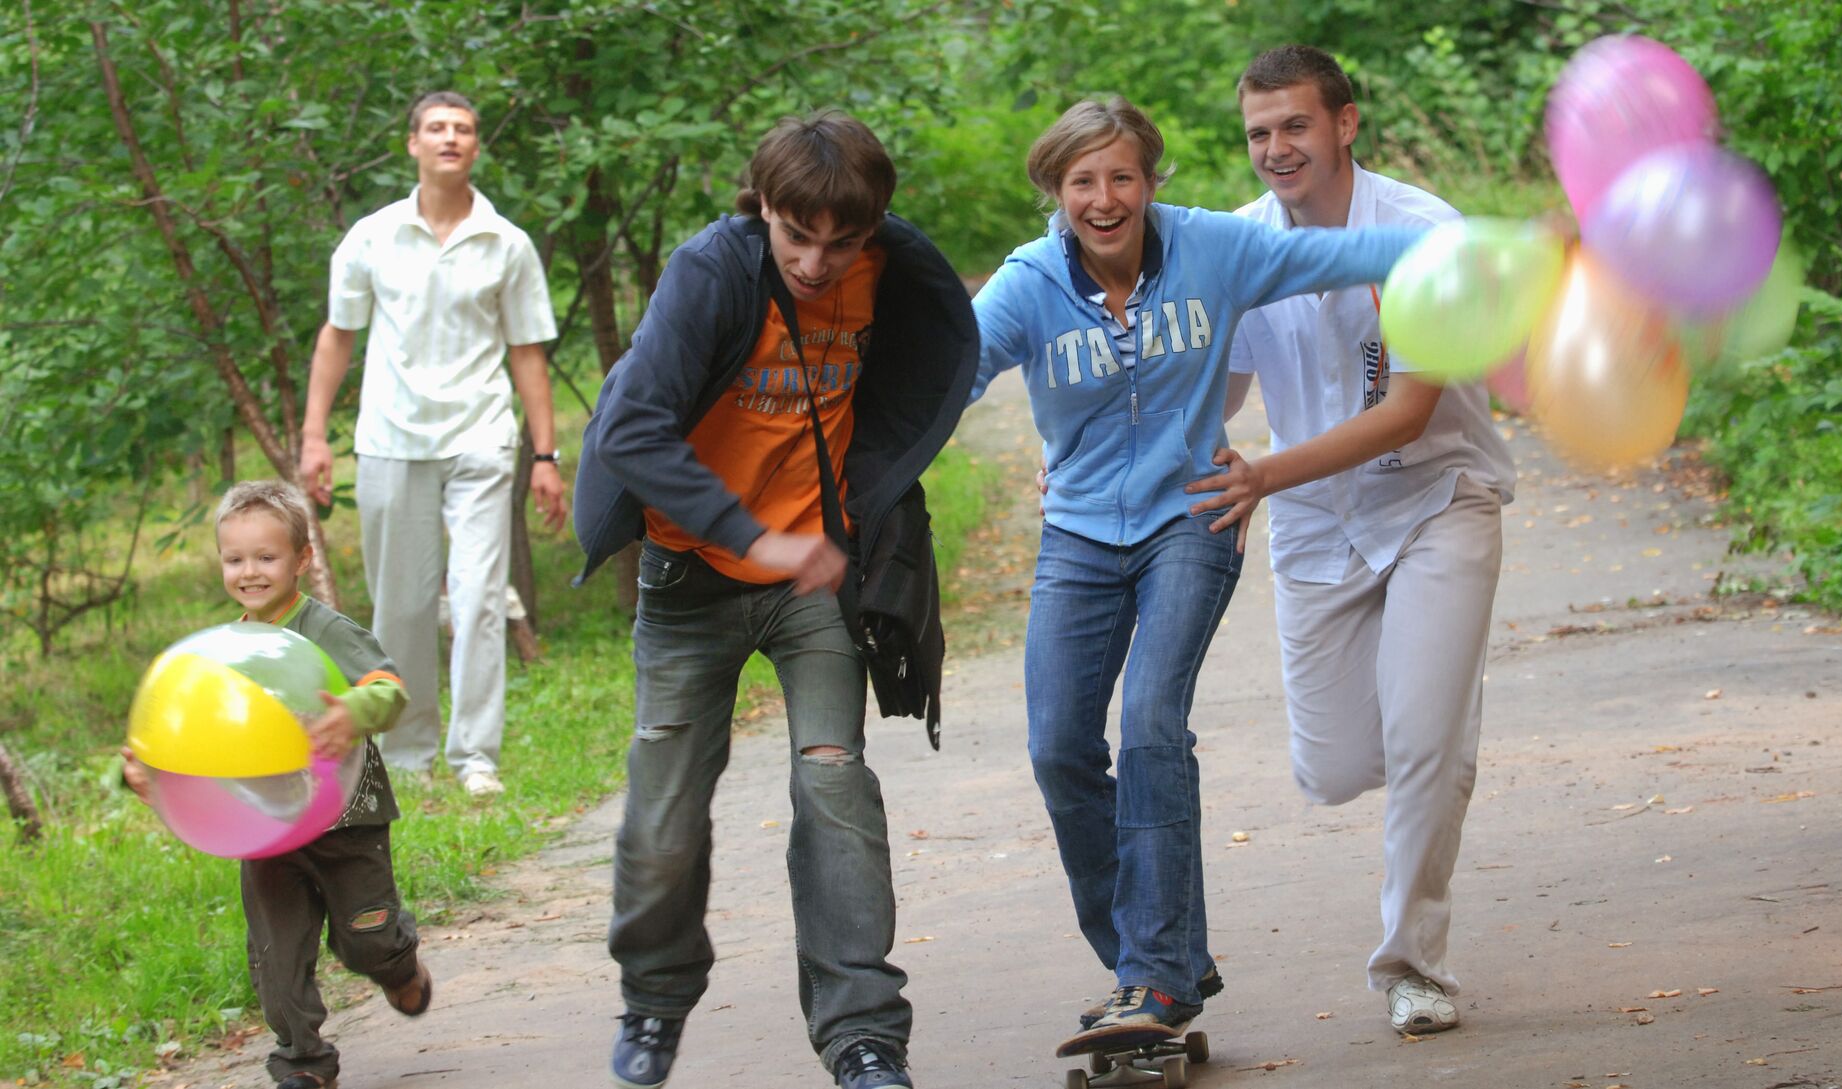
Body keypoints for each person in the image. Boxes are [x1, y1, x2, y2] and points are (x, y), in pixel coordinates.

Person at [968, 95, 1423, 1053]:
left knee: (1149, 724)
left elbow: (1353, 253)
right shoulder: (1024, 286)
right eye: (1082, 181)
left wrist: (1500, 249)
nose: (1104, 199)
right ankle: (1159, 952)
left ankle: (1156, 975)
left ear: (1150, 181)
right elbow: (942, 378)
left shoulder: (1215, 249)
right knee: (1058, 746)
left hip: (1193, 515)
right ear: (1056, 191)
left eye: (1122, 176)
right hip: (1080, 537)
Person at [570, 111, 976, 1089]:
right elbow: (628, 431)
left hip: (813, 585)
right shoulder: (713, 272)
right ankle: (655, 1001)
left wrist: (849, 521)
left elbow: (928, 370)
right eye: (797, 237)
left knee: (834, 786)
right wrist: (753, 534)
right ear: (763, 210)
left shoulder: (890, 269)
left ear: (871, 227)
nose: (816, 261)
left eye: (842, 242)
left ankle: (864, 1037)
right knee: (664, 818)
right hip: (689, 580)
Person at [1184, 45, 1518, 1035]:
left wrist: (1259, 478)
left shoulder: (1421, 232)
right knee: (1331, 767)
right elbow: (1219, 394)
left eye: (1295, 125)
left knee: (1422, 746)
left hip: (1436, 498)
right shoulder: (1238, 246)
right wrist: (1120, 458)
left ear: (1344, 123)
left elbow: (1410, 411)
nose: (1277, 148)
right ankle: (1435, 726)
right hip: (1320, 529)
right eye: (1259, 132)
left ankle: (1412, 966)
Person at [298, 90, 566, 798]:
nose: (451, 137)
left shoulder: (506, 243)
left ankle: (476, 756)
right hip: (392, 437)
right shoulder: (371, 236)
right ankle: (410, 756)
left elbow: (528, 353)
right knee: (404, 605)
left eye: (465, 129)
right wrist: (314, 435)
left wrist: (545, 455)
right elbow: (337, 335)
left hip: (481, 436)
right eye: (437, 127)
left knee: (478, 597)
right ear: (412, 143)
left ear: (476, 147)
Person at [121, 480, 431, 1089]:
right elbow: (189, 735)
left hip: (348, 822)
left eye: (266, 557)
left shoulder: (326, 629)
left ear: (301, 560)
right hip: (265, 831)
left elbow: (390, 690)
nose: (250, 572)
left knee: (366, 940)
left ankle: (396, 966)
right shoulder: (221, 656)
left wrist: (352, 712)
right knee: (276, 962)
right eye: (235, 559)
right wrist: (142, 770)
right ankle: (303, 1062)